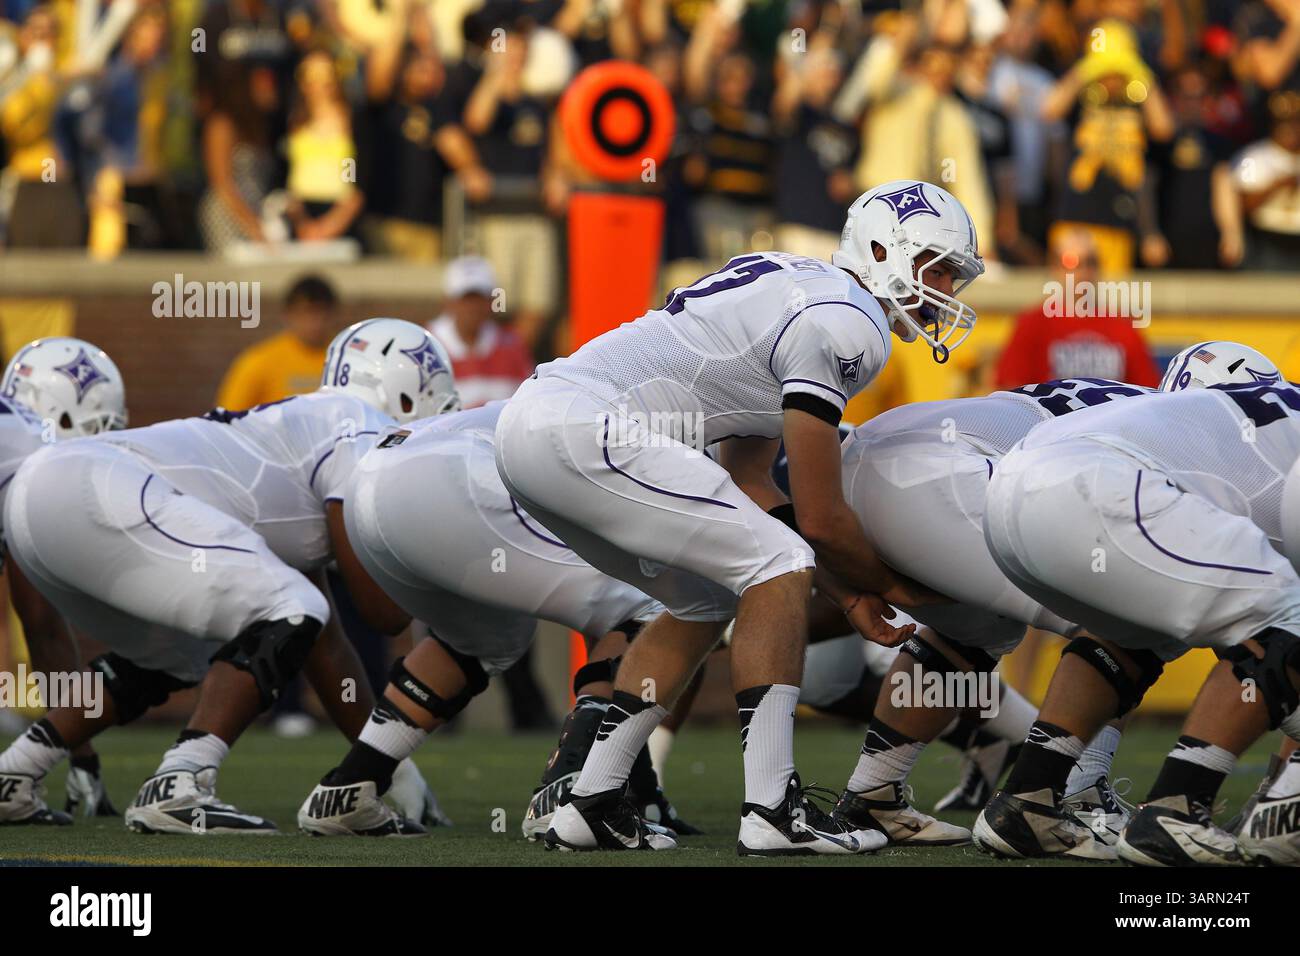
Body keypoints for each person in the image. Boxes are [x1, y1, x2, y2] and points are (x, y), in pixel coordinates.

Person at [493, 179, 984, 855]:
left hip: (537, 429)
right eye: (937, 268)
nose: (947, 292)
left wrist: (847, 592)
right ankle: (772, 807)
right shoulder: (848, 319)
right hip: (584, 426)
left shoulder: (803, 290)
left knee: (707, 597)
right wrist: (908, 592)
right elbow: (819, 518)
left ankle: (594, 800)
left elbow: (751, 481)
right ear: (880, 250)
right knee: (779, 566)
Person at [0, 320, 457, 834]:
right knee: (293, 606)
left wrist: (387, 766)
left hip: (44, 500)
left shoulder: (302, 435)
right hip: (92, 484)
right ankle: (182, 781)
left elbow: (327, 649)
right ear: (410, 399)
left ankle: (15, 773)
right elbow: (382, 614)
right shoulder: (360, 423)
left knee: (177, 655)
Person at [977, 347, 1300, 866]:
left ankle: (1028, 801)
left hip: (1009, 491)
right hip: (1098, 488)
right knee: (1284, 617)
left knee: (1135, 633)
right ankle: (1176, 813)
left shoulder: (1191, 416)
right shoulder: (1263, 437)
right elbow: (1274, 641)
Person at [0, 337, 127, 824]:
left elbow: (41, 620)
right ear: (58, 414)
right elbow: (42, 621)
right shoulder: (33, 452)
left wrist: (81, 755)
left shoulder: (17, 452)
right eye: (97, 425)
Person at [993, 229, 1160, 388]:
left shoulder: (1123, 328)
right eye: (1071, 261)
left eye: (1090, 262)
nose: (1082, 272)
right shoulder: (1032, 324)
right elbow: (1010, 389)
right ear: (1055, 266)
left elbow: (1147, 392)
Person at [217, 274, 340, 411]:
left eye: (321, 313)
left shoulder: (345, 357)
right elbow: (227, 418)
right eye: (306, 313)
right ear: (288, 314)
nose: (315, 323)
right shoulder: (259, 361)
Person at [427, 256, 533, 409]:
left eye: (480, 298)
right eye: (466, 299)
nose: (473, 307)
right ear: (448, 301)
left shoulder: (513, 347)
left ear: (491, 301)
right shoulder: (427, 347)